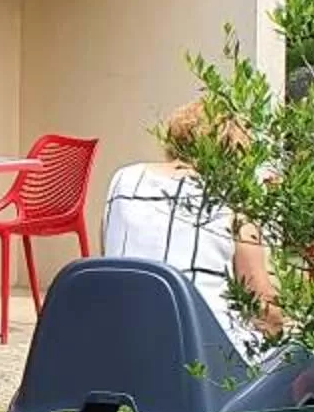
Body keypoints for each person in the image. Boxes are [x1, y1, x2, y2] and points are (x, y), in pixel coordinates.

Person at [100, 100, 283, 358]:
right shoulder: (232, 201)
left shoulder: (123, 181)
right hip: (198, 360)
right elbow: (264, 312)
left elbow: (110, 256)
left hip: (120, 345)